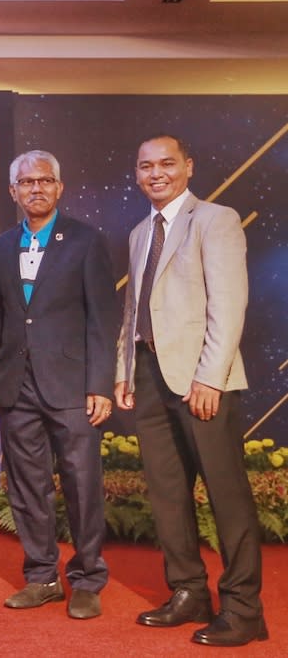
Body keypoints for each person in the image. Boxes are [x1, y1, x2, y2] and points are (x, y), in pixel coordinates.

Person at [115, 134, 265, 647]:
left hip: (203, 381)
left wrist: (210, 377)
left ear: (188, 167)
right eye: (145, 166)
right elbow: (134, 310)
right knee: (167, 494)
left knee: (227, 497)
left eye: (166, 164)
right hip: (151, 378)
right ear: (136, 174)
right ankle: (189, 592)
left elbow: (229, 304)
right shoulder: (140, 232)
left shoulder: (215, 220)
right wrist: (124, 369)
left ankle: (244, 610)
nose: (156, 173)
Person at [0, 150, 118, 620]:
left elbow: (104, 318)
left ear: (59, 188)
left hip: (72, 386)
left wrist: (100, 384)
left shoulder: (86, 241)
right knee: (27, 488)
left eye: (45, 181)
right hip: (15, 386)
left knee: (83, 485)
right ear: (13, 191)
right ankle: (42, 577)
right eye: (26, 182)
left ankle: (86, 579)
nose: (36, 189)